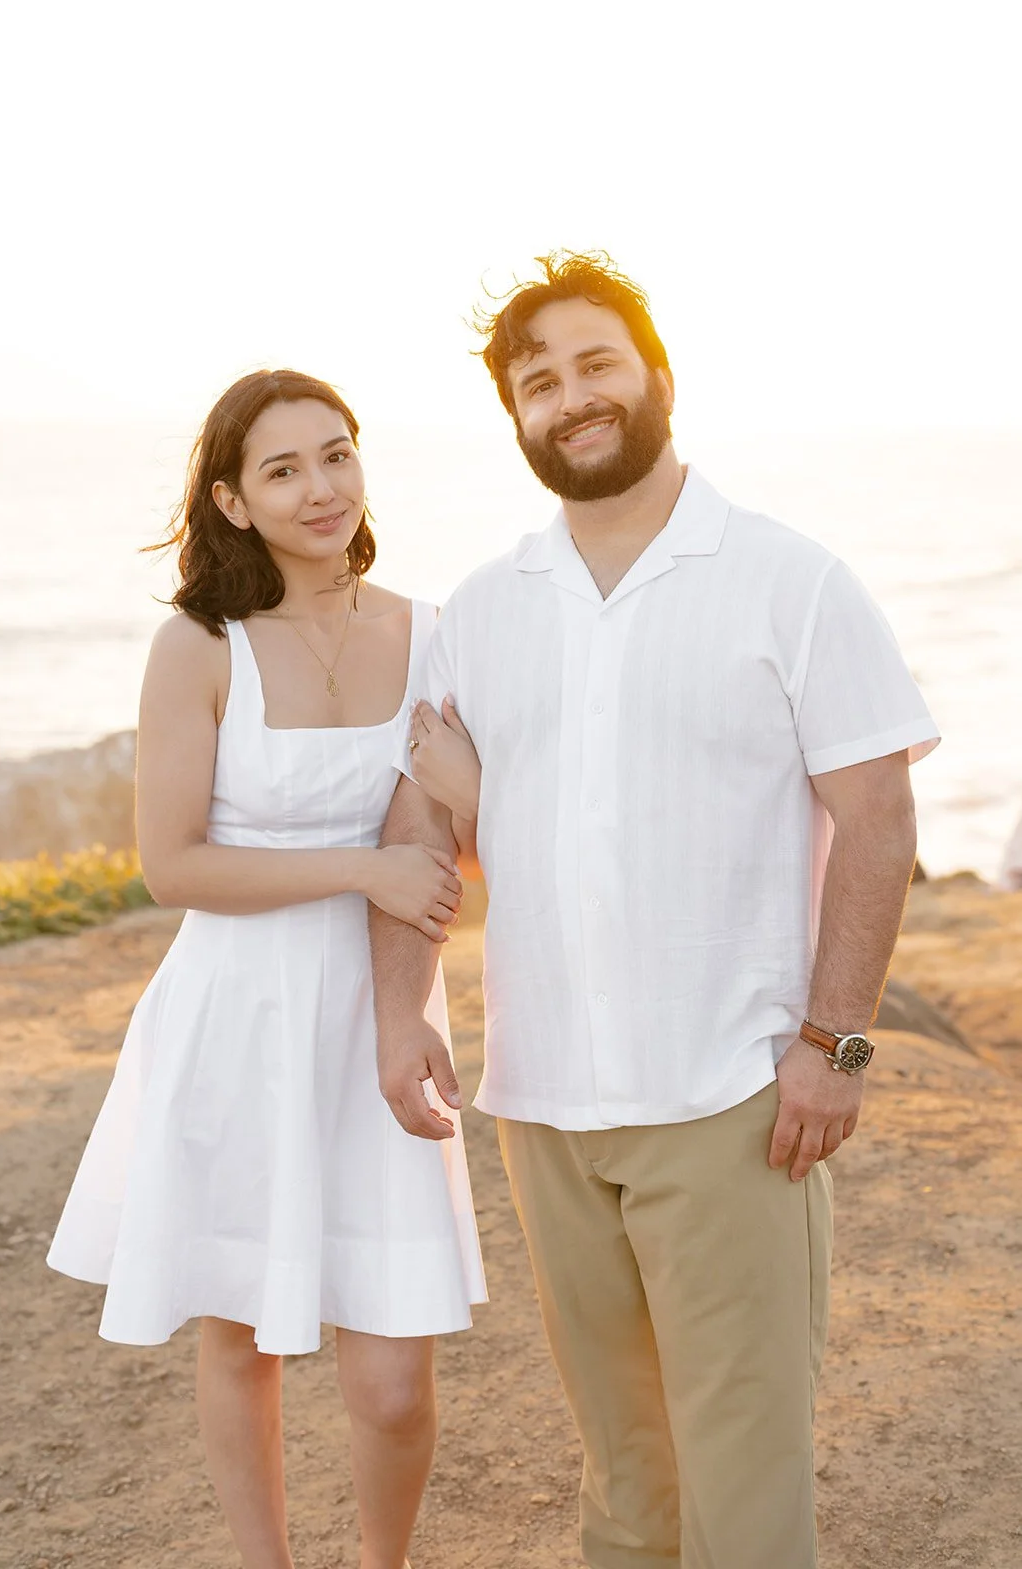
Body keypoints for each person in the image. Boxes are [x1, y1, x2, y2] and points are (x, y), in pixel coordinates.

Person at [369, 255, 939, 1569]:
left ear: (657, 376)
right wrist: (405, 1013)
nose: (569, 399)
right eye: (537, 382)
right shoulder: (483, 609)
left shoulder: (789, 581)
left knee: (741, 1488)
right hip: (545, 1105)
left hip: (728, 1098)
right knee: (624, 1482)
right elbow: (418, 836)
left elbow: (876, 821)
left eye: (593, 364)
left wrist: (832, 1041)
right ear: (515, 419)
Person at [47, 369, 486, 1569]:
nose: (319, 488)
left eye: (334, 456)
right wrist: (358, 873)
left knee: (392, 1377)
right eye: (283, 469)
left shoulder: (430, 630)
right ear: (234, 502)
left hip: (374, 1013)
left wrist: (406, 990)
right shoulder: (198, 645)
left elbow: (433, 841)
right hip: (236, 1014)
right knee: (242, 1334)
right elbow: (172, 866)